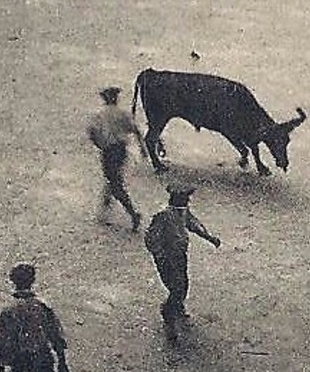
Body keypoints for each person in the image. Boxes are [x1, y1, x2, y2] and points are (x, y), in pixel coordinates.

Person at [143, 186, 221, 343]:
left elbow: (194, 225)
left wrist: (210, 237)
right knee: (177, 287)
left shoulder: (183, 212)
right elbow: (150, 237)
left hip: (180, 255)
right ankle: (168, 314)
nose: (188, 201)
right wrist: (159, 254)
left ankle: (176, 308)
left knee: (183, 284)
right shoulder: (163, 215)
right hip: (167, 257)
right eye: (186, 198)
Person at [88, 86, 143, 231]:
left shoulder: (100, 114)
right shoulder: (122, 113)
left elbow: (92, 133)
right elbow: (135, 130)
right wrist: (142, 148)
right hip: (121, 150)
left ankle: (133, 213)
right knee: (112, 179)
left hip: (108, 151)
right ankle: (104, 210)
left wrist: (100, 145)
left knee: (114, 183)